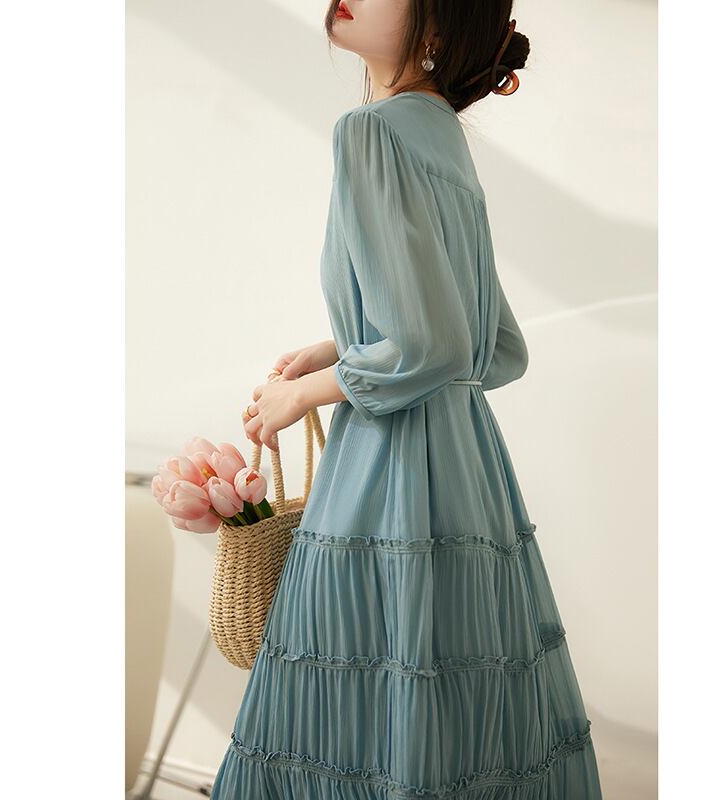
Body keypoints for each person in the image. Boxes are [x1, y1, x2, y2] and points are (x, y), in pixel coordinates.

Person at [211, 1, 604, 797]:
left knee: (357, 703)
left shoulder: (371, 131)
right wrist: (343, 346)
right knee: (456, 712)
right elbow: (494, 347)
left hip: (387, 469)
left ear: (436, 26)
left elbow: (433, 344)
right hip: (469, 472)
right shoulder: (441, 133)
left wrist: (303, 394)